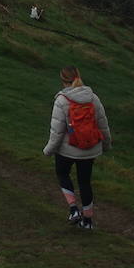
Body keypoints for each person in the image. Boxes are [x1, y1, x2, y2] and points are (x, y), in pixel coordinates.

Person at [42, 65, 112, 230]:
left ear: (63, 80)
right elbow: (103, 125)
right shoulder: (93, 98)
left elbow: (57, 131)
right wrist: (106, 144)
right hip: (89, 149)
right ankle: (87, 221)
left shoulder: (61, 100)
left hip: (67, 149)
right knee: (85, 182)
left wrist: (48, 150)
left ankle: (73, 209)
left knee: (62, 173)